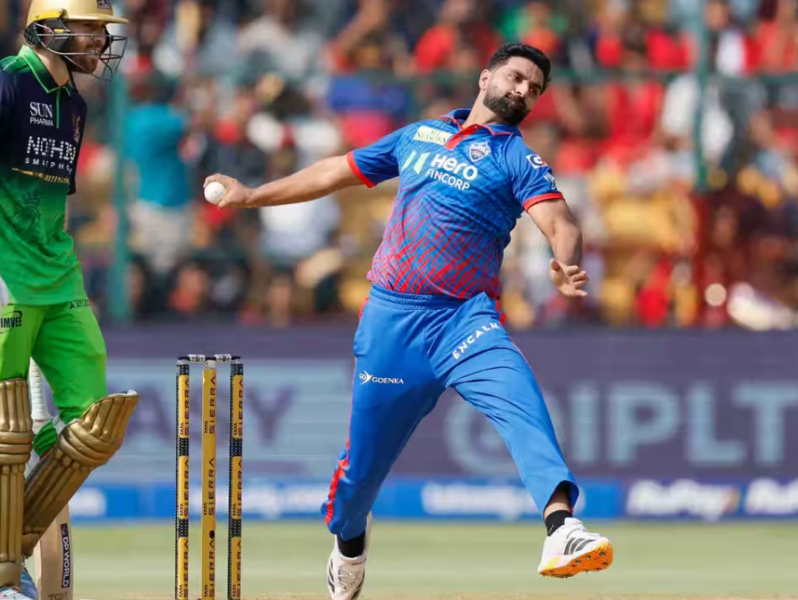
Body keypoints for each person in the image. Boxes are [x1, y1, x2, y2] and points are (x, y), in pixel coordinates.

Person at [204, 42, 613, 600]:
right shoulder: (420, 134)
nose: (523, 91)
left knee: (521, 402)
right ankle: (349, 543)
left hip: (464, 320)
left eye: (534, 89)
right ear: (485, 77)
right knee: (357, 480)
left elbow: (561, 222)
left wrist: (566, 263)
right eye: (517, 78)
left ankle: (561, 527)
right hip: (392, 322)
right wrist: (252, 196)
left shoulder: (516, 158)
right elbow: (336, 170)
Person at [0, 1, 140, 599]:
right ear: (49, 27)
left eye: (103, 31)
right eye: (90, 28)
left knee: (94, 426)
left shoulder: (72, 103)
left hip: (58, 280)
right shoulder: (0, 85)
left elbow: (49, 202)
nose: (100, 41)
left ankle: (8, 544)